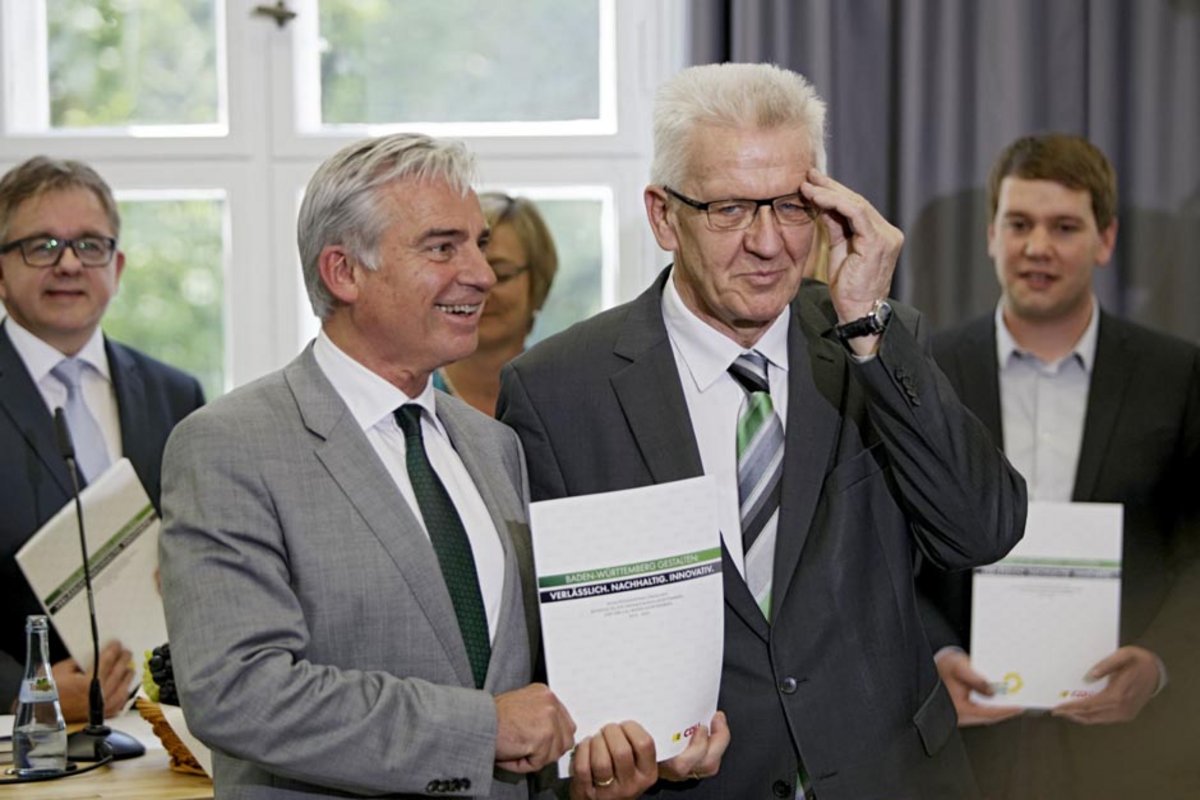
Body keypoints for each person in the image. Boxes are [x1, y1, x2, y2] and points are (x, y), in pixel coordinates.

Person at [497, 62, 1027, 799]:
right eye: (731, 210)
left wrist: (867, 329)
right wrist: (599, 761)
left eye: (791, 206)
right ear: (663, 216)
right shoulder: (557, 389)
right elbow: (540, 645)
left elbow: (982, 531)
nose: (769, 243)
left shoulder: (877, 340)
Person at [158, 133, 726, 798]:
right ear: (343, 272)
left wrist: (609, 759)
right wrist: (482, 729)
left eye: (479, 245)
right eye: (442, 247)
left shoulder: (494, 445)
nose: (482, 274)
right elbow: (237, 692)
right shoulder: (229, 446)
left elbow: (527, 689)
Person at [917, 133, 1200, 799]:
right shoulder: (926, 370)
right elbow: (889, 547)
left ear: (1105, 240)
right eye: (1019, 224)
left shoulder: (1178, 375)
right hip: (963, 752)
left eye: (1064, 227)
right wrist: (935, 653)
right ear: (991, 235)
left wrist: (1159, 663)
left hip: (1129, 754)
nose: (1037, 247)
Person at [0, 156, 204, 720]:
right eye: (42, 246)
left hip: (168, 723)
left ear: (117, 266)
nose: (69, 264)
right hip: (21, 738)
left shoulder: (176, 394)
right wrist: (26, 690)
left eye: (89, 245)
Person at [437, 193, 559, 415]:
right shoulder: (414, 394)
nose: (482, 286)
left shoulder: (563, 390)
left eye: (501, 274)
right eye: (465, 274)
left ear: (538, 281)